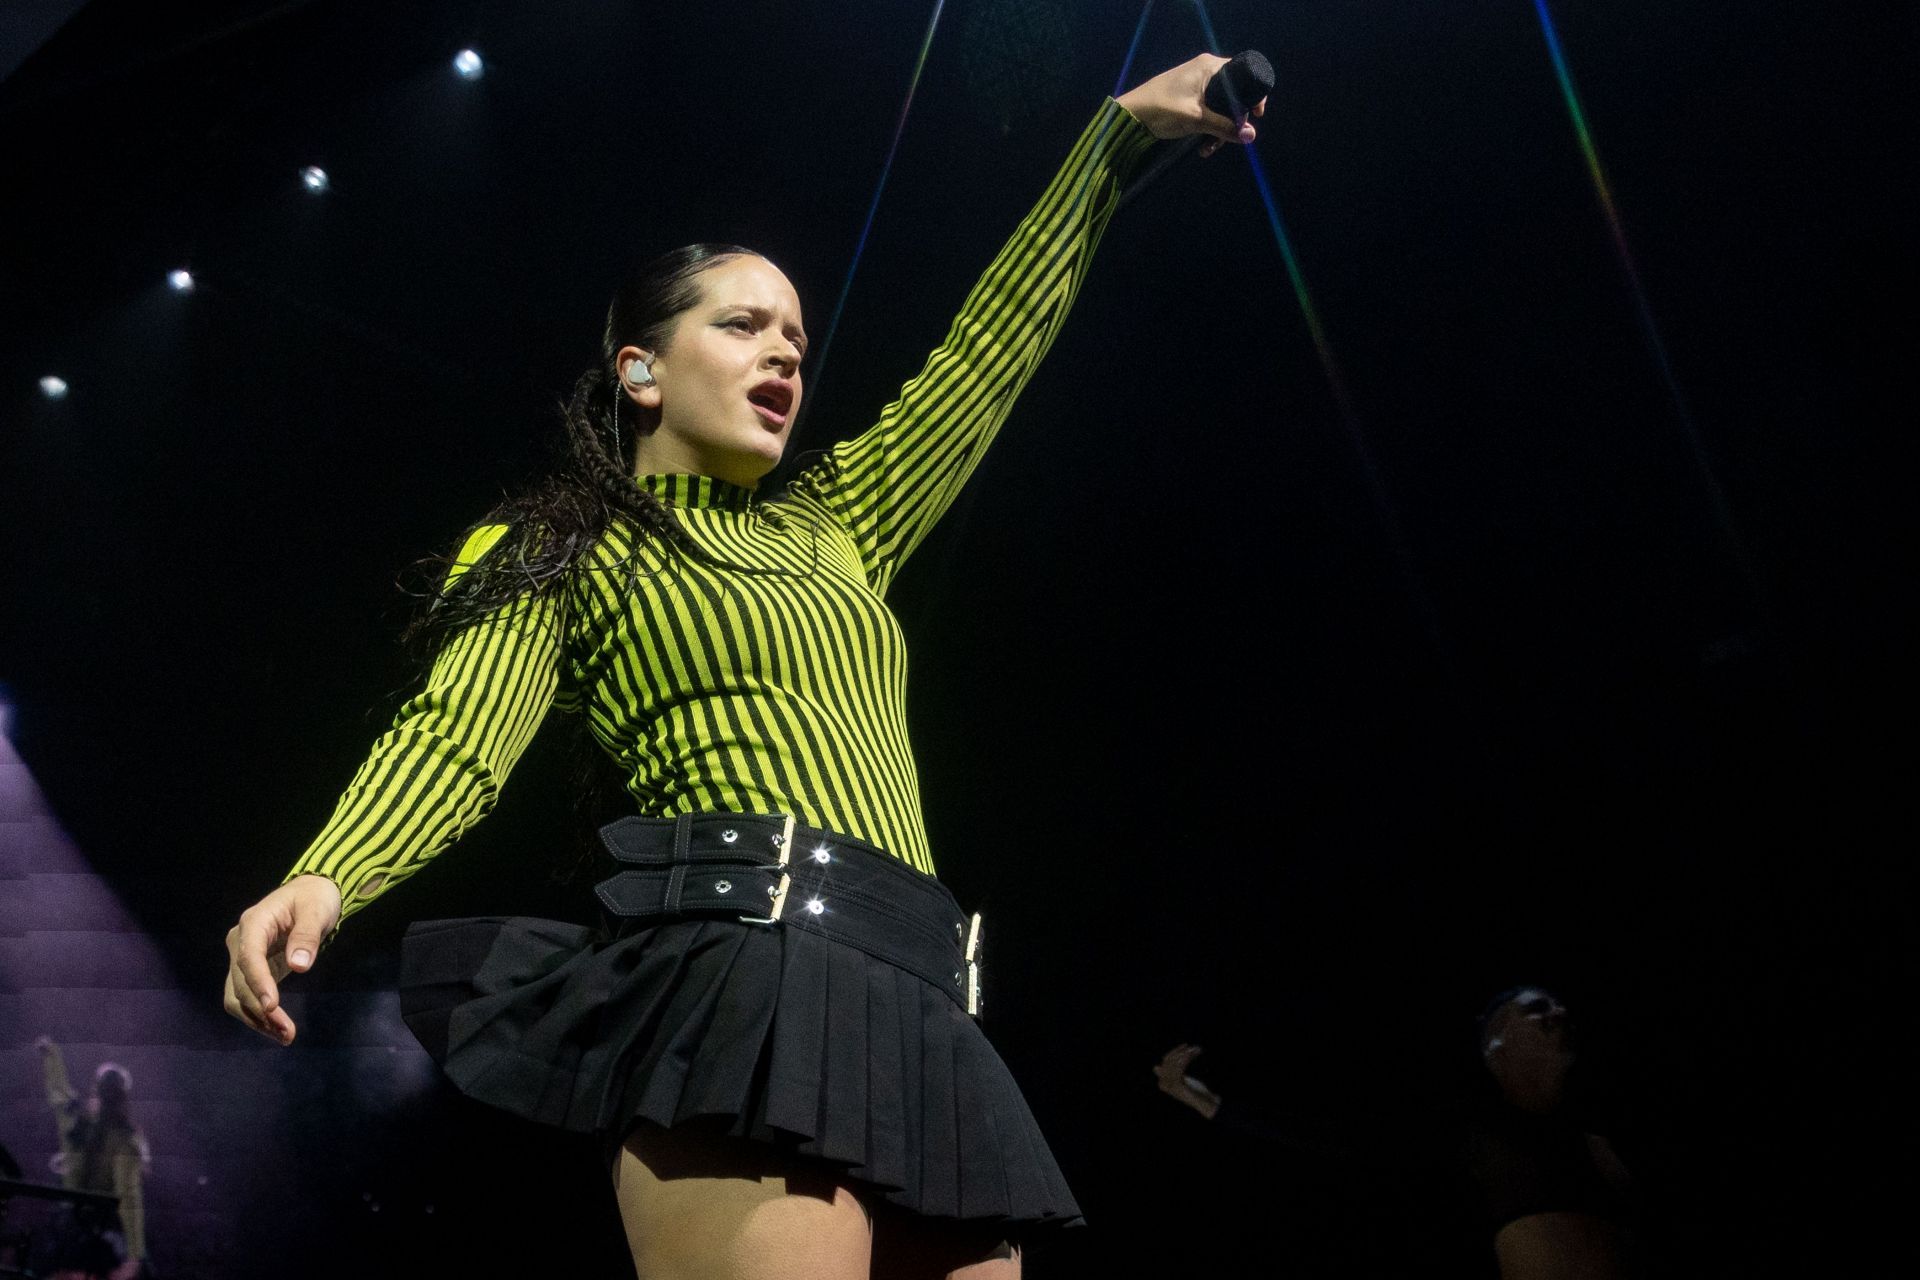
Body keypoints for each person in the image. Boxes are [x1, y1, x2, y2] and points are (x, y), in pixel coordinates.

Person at [222, 54, 1267, 1279]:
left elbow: (989, 353)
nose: (784, 354)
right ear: (641, 369)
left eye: (796, 338)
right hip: (744, 979)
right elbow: (456, 734)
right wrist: (329, 871)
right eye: (742, 324)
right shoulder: (565, 547)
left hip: (922, 992)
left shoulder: (840, 522)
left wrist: (1115, 141)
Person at [35, 1038, 147, 1280]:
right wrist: (135, 1254)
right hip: (98, 1237)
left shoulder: (80, 1124)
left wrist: (52, 1058)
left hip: (70, 1232)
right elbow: (128, 1196)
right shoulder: (124, 1140)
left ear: (96, 1092)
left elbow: (59, 1096)